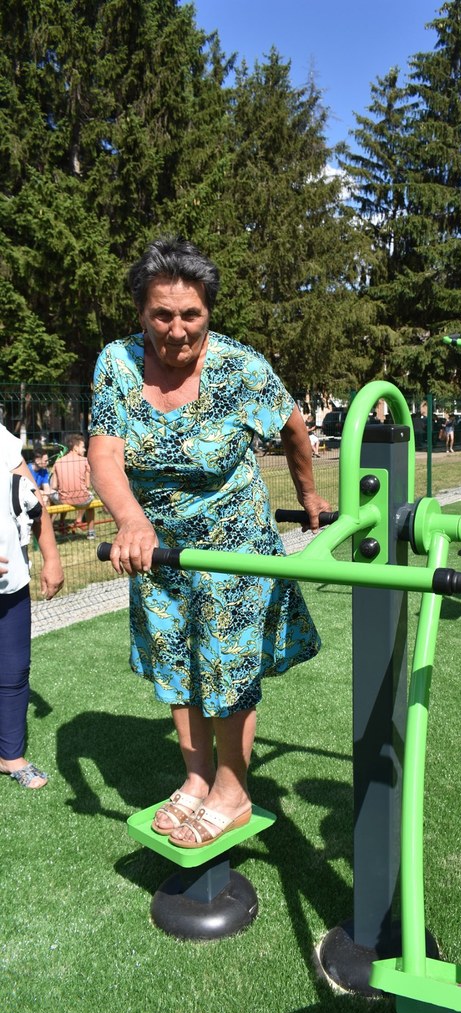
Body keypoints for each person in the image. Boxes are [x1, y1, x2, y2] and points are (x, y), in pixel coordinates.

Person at [88, 237, 330, 849]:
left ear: (208, 313)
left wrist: (308, 494)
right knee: (175, 660)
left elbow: (294, 427)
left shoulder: (240, 367)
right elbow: (105, 455)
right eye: (161, 315)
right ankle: (196, 779)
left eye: (189, 315)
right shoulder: (116, 364)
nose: (175, 330)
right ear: (141, 313)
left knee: (224, 666)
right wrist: (131, 521)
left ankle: (233, 789)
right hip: (159, 545)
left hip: (233, 543)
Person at [0, 424, 64, 788]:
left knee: (13, 670)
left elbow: (33, 501)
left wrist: (51, 558)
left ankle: (11, 757)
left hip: (11, 586)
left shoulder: (1, 439)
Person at [51, 433, 96, 538]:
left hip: (63, 499)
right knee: (90, 501)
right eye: (83, 447)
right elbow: (88, 485)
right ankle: (91, 532)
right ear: (75, 448)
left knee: (51, 499)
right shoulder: (85, 461)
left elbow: (54, 486)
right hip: (81, 499)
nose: (84, 450)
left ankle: (49, 529)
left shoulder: (58, 462)